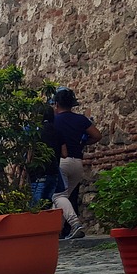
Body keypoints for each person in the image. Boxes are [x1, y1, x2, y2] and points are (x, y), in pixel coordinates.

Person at [51, 87, 102, 240]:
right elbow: (97, 135)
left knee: (57, 196)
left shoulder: (54, 121)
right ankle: (54, 230)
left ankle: (75, 224)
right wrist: (81, 144)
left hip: (61, 162)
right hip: (77, 163)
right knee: (63, 198)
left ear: (56, 103)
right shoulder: (81, 119)